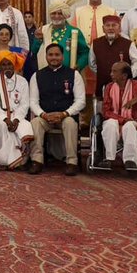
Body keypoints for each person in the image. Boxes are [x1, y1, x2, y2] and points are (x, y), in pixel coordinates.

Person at [28, 44, 85, 176]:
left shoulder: (74, 75)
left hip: (66, 116)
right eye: (51, 55)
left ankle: (72, 162)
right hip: (45, 117)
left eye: (57, 55)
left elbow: (81, 101)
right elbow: (33, 101)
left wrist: (65, 113)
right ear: (46, 56)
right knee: (35, 123)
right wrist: (43, 114)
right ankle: (37, 160)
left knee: (70, 123)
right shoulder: (37, 75)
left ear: (62, 56)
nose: (54, 58)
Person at [100, 62, 137, 168]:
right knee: (110, 124)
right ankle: (109, 159)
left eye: (114, 72)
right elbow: (106, 111)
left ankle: (130, 160)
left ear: (124, 76)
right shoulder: (109, 87)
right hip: (113, 119)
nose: (111, 74)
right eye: (111, 71)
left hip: (133, 120)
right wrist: (122, 120)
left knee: (129, 126)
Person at [0, 51, 32, 170]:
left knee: (24, 126)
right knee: (2, 126)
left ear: (14, 65)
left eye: (9, 64)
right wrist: (5, 119)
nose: (7, 67)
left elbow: (24, 104)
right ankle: (9, 161)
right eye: (3, 65)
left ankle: (13, 160)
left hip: (18, 115)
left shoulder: (22, 81)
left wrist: (16, 119)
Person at [89, 14, 137, 100]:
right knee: (103, 111)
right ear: (103, 29)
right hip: (102, 86)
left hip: (123, 87)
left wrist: (127, 74)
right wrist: (103, 72)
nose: (110, 28)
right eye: (107, 25)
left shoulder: (128, 44)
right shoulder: (95, 43)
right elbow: (92, 64)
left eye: (114, 25)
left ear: (120, 28)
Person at [38, 0, 89, 72]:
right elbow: (34, 51)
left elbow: (85, 53)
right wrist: (37, 39)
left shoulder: (74, 31)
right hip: (47, 73)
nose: (56, 16)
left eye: (60, 13)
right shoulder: (43, 30)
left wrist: (79, 65)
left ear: (65, 15)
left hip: (68, 73)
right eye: (53, 13)